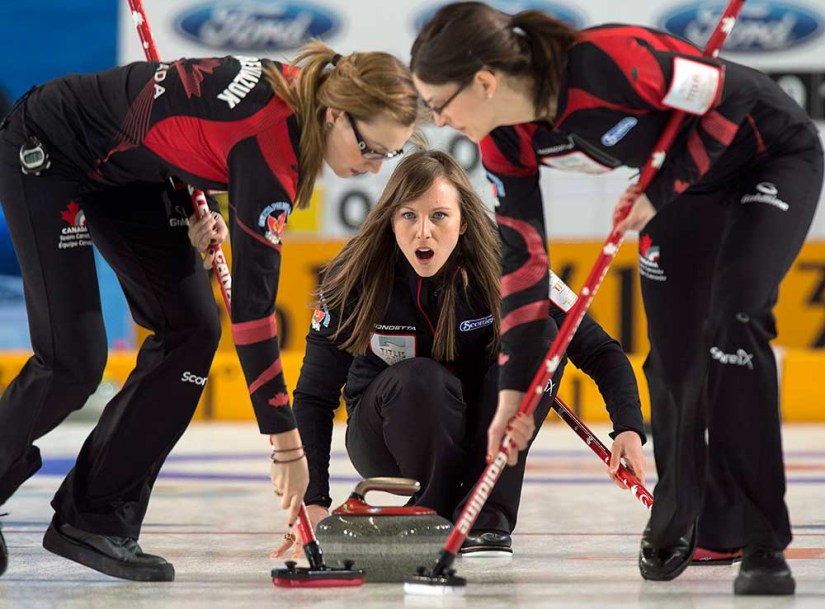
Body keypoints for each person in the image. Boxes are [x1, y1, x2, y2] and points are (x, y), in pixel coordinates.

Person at [409, 2, 824, 596]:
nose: (442, 120)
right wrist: (512, 395)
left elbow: (729, 98)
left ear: (484, 81)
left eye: (441, 103)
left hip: (769, 156)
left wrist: (664, 188)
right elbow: (525, 267)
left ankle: (762, 539)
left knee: (734, 319)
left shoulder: (610, 61)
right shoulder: (506, 142)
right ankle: (689, 514)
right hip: (684, 185)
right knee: (674, 352)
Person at [0, 42, 419, 581]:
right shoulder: (273, 145)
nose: (372, 168)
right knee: (73, 361)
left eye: (391, 154)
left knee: (192, 332)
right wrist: (286, 445)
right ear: (335, 113)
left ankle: (96, 516)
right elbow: (253, 308)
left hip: (132, 171)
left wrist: (203, 196)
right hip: (50, 147)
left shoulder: (303, 99)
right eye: (370, 149)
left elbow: (194, 123)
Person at [266, 149, 645, 558]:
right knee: (423, 378)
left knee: (541, 337)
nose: (422, 232)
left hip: (481, 432)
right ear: (391, 220)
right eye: (408, 215)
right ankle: (435, 510)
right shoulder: (356, 274)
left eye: (439, 216)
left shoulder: (510, 260)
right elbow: (314, 396)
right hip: (385, 439)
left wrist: (628, 426)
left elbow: (597, 347)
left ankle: (487, 518)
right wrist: (315, 501)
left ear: (463, 222)